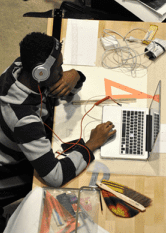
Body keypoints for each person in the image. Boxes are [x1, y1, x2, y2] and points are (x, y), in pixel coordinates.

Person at [0, 32, 115, 206]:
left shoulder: (20, 68)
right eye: (59, 68)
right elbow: (56, 176)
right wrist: (92, 143)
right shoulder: (25, 121)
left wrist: (76, 75)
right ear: (40, 74)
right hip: (10, 166)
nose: (63, 72)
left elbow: (58, 89)